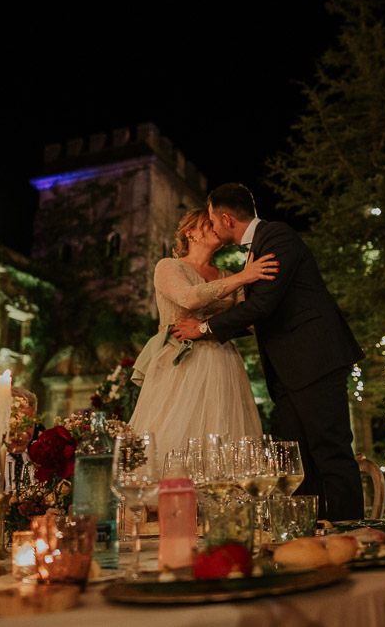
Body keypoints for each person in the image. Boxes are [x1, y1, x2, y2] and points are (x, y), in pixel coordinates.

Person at [172, 183, 365, 521]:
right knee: (297, 462)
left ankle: (352, 533)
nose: (214, 228)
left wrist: (203, 329)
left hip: (315, 361)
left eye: (214, 221)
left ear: (227, 218)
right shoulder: (255, 250)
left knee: (331, 453)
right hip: (290, 371)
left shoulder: (278, 237)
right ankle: (311, 532)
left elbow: (262, 305)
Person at [128, 208, 276, 459]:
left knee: (223, 435)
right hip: (180, 362)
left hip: (223, 362)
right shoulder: (168, 266)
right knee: (174, 434)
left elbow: (250, 318)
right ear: (191, 233)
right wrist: (243, 276)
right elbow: (189, 298)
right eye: (208, 223)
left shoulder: (228, 276)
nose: (216, 227)